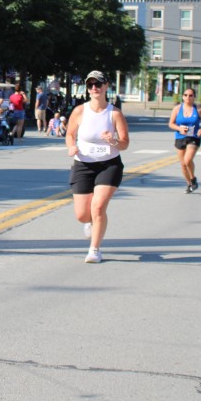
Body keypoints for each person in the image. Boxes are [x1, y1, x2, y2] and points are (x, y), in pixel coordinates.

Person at [64, 70, 129, 264]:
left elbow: (125, 143)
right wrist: (71, 146)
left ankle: (94, 249)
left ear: (106, 86)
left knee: (98, 207)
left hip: (109, 165)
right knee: (82, 215)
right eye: (90, 85)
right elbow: (70, 134)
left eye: (98, 84)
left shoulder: (114, 113)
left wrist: (113, 140)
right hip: (83, 164)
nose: (94, 88)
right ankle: (90, 222)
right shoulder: (80, 111)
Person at [169, 88, 201, 194]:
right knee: (183, 164)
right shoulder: (177, 109)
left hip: (194, 137)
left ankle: (193, 178)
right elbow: (171, 124)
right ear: (182, 96)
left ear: (194, 97)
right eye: (185, 95)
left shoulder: (198, 109)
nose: (188, 97)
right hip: (180, 137)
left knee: (187, 160)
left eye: (191, 95)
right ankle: (190, 183)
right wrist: (179, 128)